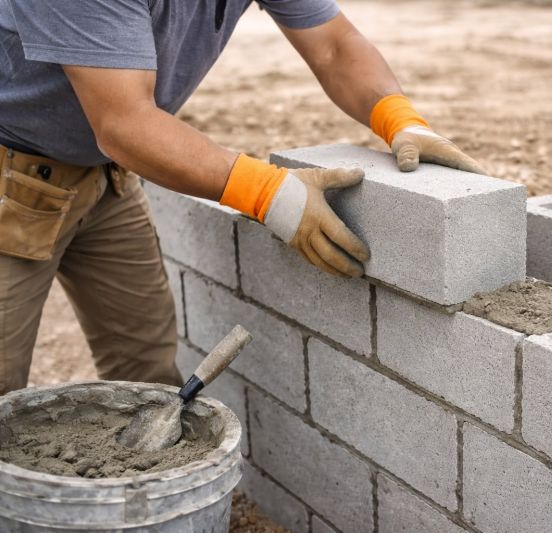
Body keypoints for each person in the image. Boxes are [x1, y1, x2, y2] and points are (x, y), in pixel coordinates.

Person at [0, 0, 485, 395]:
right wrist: (267, 193)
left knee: (144, 368)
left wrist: (398, 117)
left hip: (105, 179)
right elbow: (124, 123)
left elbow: (335, 46)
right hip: (11, 175)